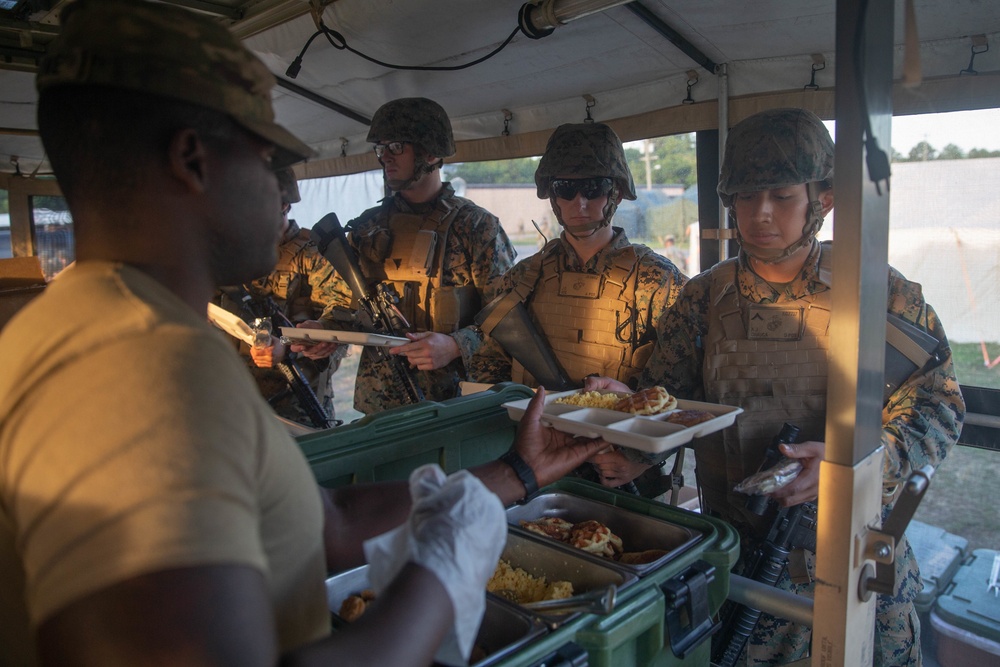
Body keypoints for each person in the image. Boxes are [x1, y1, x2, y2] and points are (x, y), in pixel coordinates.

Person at [0, 2, 606, 665]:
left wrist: (512, 473)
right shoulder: (141, 374)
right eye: (268, 155)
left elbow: (329, 522)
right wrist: (441, 571)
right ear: (192, 159)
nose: (289, 187)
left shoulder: (107, 332)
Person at [584, 108, 965, 665]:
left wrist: (853, 464)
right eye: (744, 196)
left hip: (853, 559)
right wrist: (634, 422)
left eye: (781, 195)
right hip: (742, 563)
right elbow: (670, 401)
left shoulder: (877, 290)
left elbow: (937, 405)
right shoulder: (703, 299)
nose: (760, 214)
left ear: (823, 199)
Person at [468, 122, 686, 496]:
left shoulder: (658, 282)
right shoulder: (523, 279)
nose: (579, 203)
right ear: (552, 195)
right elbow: (490, 368)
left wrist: (641, 458)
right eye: (565, 189)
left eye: (593, 188)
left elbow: (683, 388)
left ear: (615, 191)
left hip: (617, 470)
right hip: (532, 466)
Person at [293, 97, 516, 415]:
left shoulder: (477, 227)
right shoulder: (367, 225)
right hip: (381, 403)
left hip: (455, 407)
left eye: (396, 146)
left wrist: (455, 345)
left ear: (431, 152)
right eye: (380, 148)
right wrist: (327, 331)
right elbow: (348, 305)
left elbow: (509, 321)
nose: (384, 157)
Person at [214, 167, 341, 427]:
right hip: (238, 405)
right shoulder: (228, 259)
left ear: (283, 204)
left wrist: (287, 347)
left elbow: (339, 329)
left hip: (298, 407)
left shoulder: (313, 256)